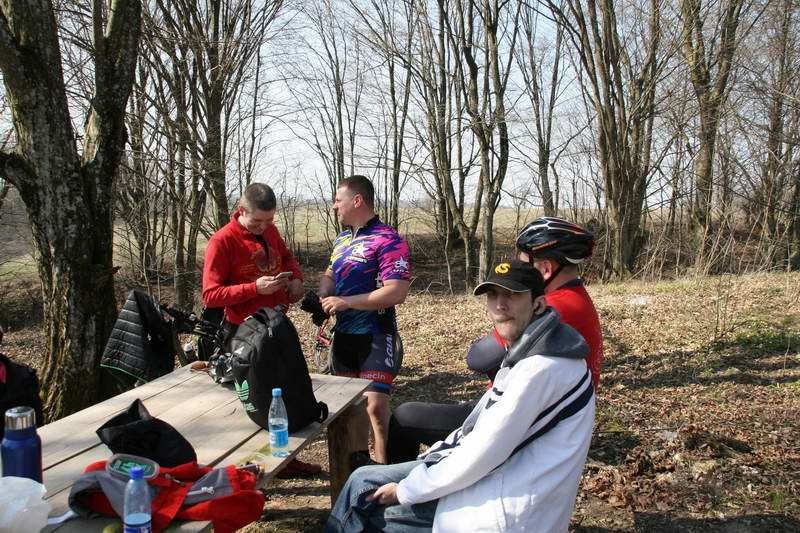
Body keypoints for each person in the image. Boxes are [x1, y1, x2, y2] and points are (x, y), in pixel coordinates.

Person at [324, 260, 595, 532]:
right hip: (497, 476)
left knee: (365, 506)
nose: (500, 305)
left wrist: (406, 490)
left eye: (512, 295)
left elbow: (482, 454)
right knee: (362, 479)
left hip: (505, 507)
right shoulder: (535, 349)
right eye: (493, 295)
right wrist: (431, 459)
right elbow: (479, 429)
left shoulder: (540, 369)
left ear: (538, 304)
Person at [387, 216, 603, 463]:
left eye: (523, 265)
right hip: (533, 408)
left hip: (525, 420)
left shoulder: (555, 306)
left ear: (545, 269)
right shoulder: (575, 298)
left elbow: (478, 357)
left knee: (405, 418)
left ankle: (391, 490)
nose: (518, 271)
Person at [202, 182, 320, 478]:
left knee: (287, 394)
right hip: (244, 335)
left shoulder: (270, 231)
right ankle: (250, 471)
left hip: (277, 327)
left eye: (270, 220)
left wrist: (295, 279)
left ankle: (286, 459)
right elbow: (210, 295)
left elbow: (288, 258)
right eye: (257, 221)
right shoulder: (222, 241)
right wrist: (253, 288)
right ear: (241, 211)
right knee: (255, 403)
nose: (264, 227)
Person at [318, 175, 411, 465]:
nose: (334, 206)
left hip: (375, 334)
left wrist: (346, 302)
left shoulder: (388, 239)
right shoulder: (343, 238)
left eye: (338, 200)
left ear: (356, 201)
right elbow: (332, 272)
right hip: (343, 336)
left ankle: (383, 471)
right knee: (349, 410)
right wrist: (322, 295)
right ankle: (353, 473)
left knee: (376, 409)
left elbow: (396, 292)